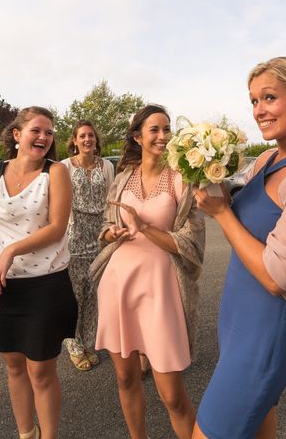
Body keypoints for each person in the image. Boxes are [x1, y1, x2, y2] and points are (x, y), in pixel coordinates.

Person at [192, 57, 286, 439]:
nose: (259, 110)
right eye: (254, 101)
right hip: (236, 317)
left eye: (270, 98)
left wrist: (223, 213)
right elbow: (249, 214)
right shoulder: (266, 159)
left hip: (268, 327)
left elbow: (279, 278)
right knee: (259, 427)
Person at [92, 104, 205, 439]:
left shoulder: (181, 178)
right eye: (154, 129)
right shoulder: (123, 175)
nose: (162, 136)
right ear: (137, 136)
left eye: (167, 129)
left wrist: (143, 227)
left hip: (160, 288)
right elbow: (107, 223)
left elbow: (191, 241)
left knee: (171, 394)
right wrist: (111, 233)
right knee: (125, 378)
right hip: (118, 282)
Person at [0, 106, 77, 439]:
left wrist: (9, 251)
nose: (44, 138)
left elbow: (58, 228)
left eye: (49, 133)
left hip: (45, 286)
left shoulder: (56, 172)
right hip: (2, 286)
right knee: (14, 367)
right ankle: (25, 433)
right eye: (36, 130)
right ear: (16, 135)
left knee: (41, 372)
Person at [60, 120, 114, 371]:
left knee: (94, 293)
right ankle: (74, 345)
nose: (87, 139)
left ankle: (90, 341)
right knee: (74, 294)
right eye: (82, 136)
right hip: (74, 236)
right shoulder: (65, 167)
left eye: (91, 135)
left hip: (100, 236)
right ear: (74, 140)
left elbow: (111, 201)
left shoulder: (107, 166)